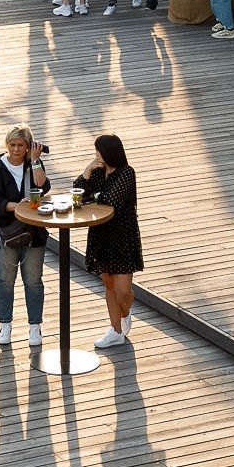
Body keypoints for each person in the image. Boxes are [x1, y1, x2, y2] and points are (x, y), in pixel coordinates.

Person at [74, 133, 143, 349]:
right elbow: (78, 194)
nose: (96, 154)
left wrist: (93, 197)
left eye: (99, 150)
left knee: (123, 291)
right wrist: (86, 172)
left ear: (109, 152)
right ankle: (115, 331)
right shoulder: (97, 172)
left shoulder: (126, 173)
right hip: (101, 234)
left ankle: (125, 313)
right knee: (109, 284)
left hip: (122, 236)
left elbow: (110, 199)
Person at [0, 125, 48, 347]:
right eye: (12, 145)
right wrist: (18, 206)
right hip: (7, 232)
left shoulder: (33, 163)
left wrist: (36, 160)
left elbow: (43, 186)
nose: (16, 149)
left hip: (34, 233)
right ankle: (5, 324)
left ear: (28, 146)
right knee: (5, 280)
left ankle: (35, 326)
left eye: (21, 145)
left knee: (33, 281)